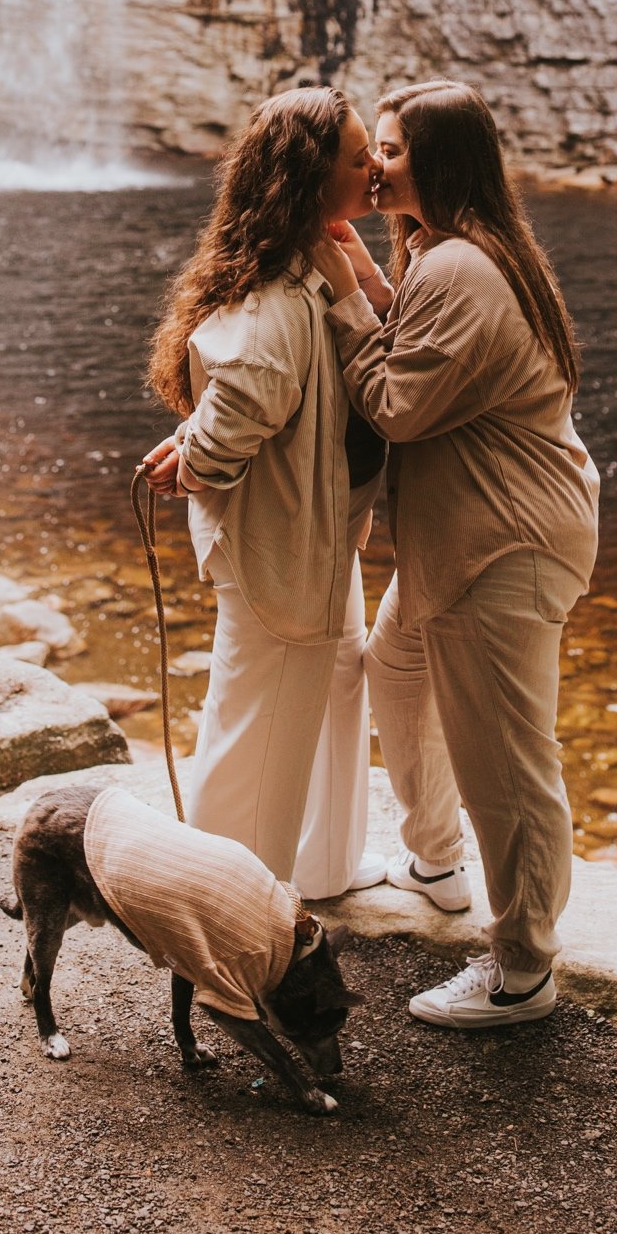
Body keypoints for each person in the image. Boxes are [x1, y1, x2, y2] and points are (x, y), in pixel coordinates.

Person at [311, 78, 600, 1028]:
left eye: (390, 149)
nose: (374, 164)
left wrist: (351, 301)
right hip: (468, 540)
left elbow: (396, 402)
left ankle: (524, 966)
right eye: (374, 147)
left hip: (500, 546)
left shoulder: (462, 269)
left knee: (509, 763)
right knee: (393, 667)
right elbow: (429, 350)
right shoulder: (453, 253)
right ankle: (435, 857)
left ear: (438, 159)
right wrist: (380, 282)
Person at [142, 86, 386, 901]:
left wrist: (196, 444)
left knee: (333, 688)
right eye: (359, 158)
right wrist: (200, 454)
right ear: (312, 179)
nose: (376, 167)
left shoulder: (312, 259)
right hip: (284, 548)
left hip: (322, 536)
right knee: (259, 725)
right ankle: (224, 906)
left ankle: (318, 868)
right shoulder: (276, 296)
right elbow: (245, 395)